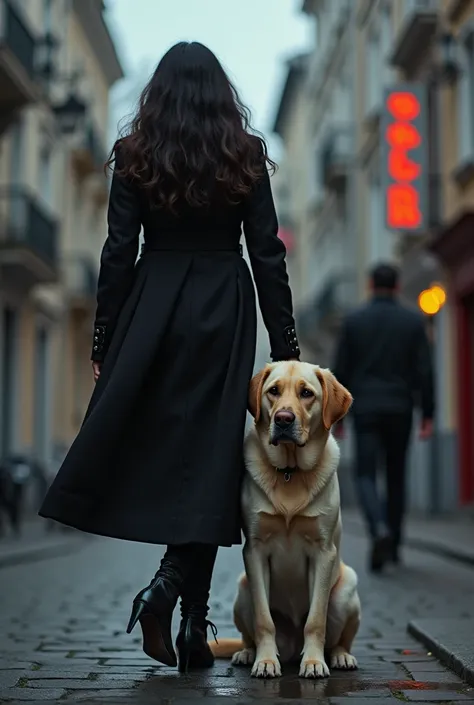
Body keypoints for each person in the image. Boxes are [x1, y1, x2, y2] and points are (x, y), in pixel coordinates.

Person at [39, 42, 299, 671]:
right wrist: (286, 349)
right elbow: (267, 254)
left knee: (169, 454)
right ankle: (182, 614)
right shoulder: (245, 155)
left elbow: (116, 251)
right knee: (210, 456)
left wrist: (106, 337)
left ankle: (184, 614)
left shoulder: (135, 155)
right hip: (223, 307)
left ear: (157, 93)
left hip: (154, 303)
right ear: (220, 94)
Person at [333, 263, 434, 572]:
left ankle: (378, 528)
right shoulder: (413, 322)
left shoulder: (353, 322)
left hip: (365, 409)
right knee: (396, 475)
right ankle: (394, 546)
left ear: (370, 284)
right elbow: (425, 371)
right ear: (398, 285)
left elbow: (341, 371)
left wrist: (337, 417)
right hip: (401, 408)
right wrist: (428, 413)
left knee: (365, 474)